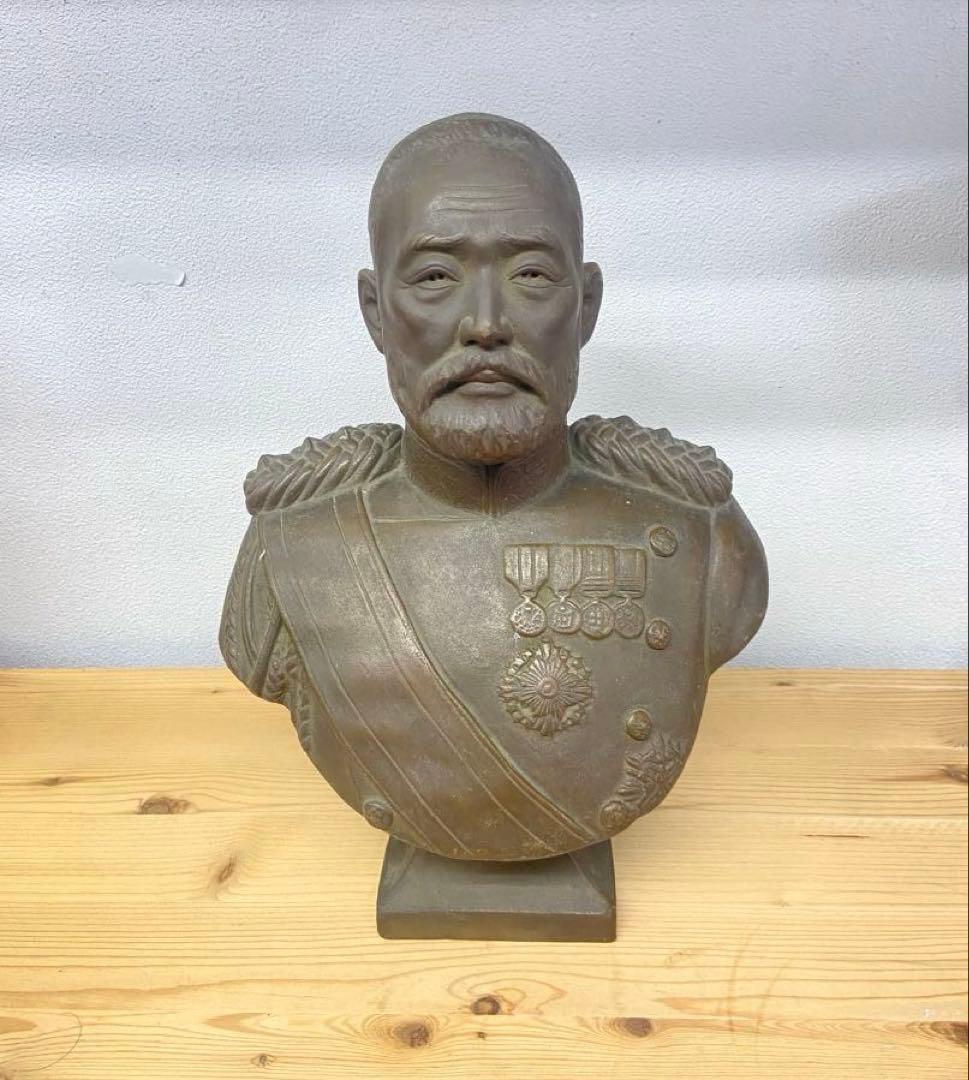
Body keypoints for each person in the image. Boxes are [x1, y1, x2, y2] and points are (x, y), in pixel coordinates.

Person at [220, 113, 767, 864]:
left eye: (530, 274)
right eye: (435, 277)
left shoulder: (699, 534)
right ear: (377, 313)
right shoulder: (292, 547)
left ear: (586, 306)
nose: (484, 324)